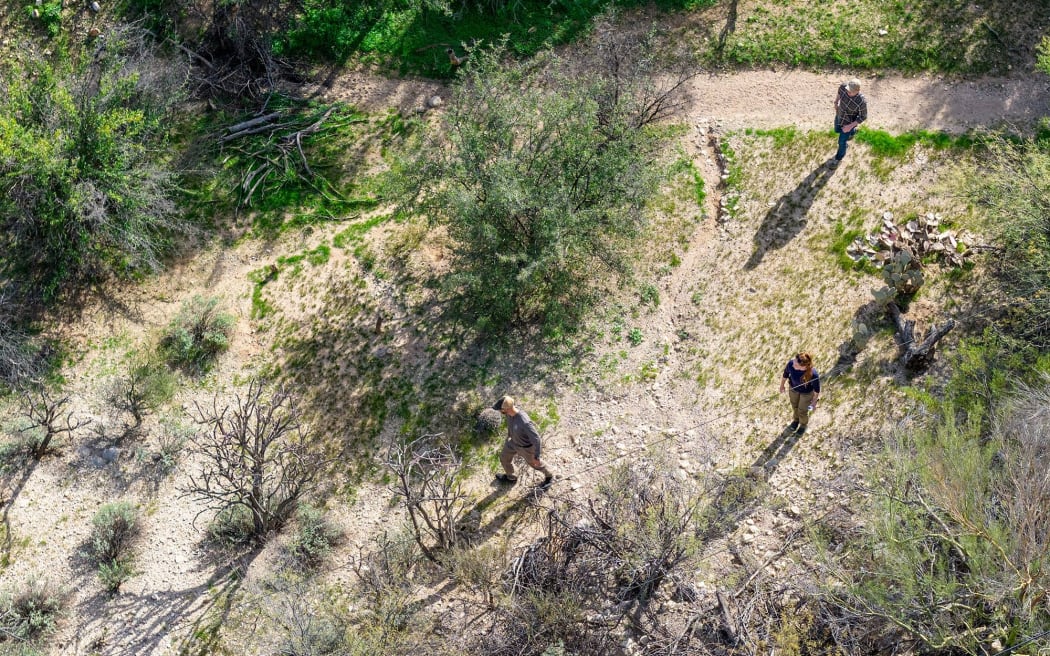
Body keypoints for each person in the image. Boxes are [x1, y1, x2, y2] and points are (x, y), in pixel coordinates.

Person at [492, 395, 554, 488]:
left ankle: (550, 476)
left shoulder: (524, 422)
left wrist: (536, 456)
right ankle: (511, 477)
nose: (500, 412)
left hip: (526, 448)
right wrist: (509, 436)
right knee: (504, 458)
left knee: (535, 464)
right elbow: (510, 426)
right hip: (513, 442)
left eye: (500, 410)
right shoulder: (509, 414)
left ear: (506, 409)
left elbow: (536, 438)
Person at [779, 352, 821, 435]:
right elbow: (785, 374)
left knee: (802, 410)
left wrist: (813, 402)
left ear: (803, 367)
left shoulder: (813, 374)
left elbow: (816, 390)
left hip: (806, 394)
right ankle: (796, 420)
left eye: (796, 364)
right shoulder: (791, 363)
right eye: (794, 360)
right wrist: (782, 385)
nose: (793, 364)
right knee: (795, 406)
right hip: (793, 389)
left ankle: (803, 425)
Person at [830, 78, 868, 168]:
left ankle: (838, 159)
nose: (847, 92)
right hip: (839, 115)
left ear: (857, 91)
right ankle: (853, 132)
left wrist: (849, 126)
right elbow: (839, 93)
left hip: (848, 123)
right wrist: (836, 102)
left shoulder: (861, 101)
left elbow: (863, 117)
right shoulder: (844, 87)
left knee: (841, 142)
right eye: (847, 89)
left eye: (850, 91)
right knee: (837, 130)